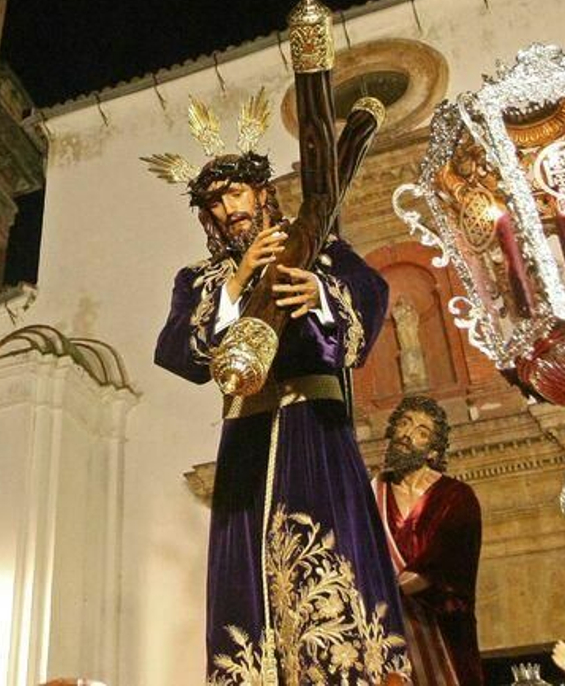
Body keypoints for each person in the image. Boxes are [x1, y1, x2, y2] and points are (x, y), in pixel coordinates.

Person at [151, 111, 405, 684]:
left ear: (262, 192)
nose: (228, 208)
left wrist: (320, 295)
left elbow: (369, 299)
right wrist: (237, 283)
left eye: (236, 192)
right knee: (248, 583)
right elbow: (176, 353)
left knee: (328, 559)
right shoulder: (199, 280)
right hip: (245, 439)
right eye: (215, 202)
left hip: (315, 431)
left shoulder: (318, 248)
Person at [372, 396, 484, 686]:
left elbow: (446, 567)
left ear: (433, 451)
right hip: (383, 635)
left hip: (440, 635)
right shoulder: (370, 493)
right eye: (404, 423)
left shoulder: (456, 497)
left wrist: (385, 591)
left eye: (421, 432)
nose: (407, 434)